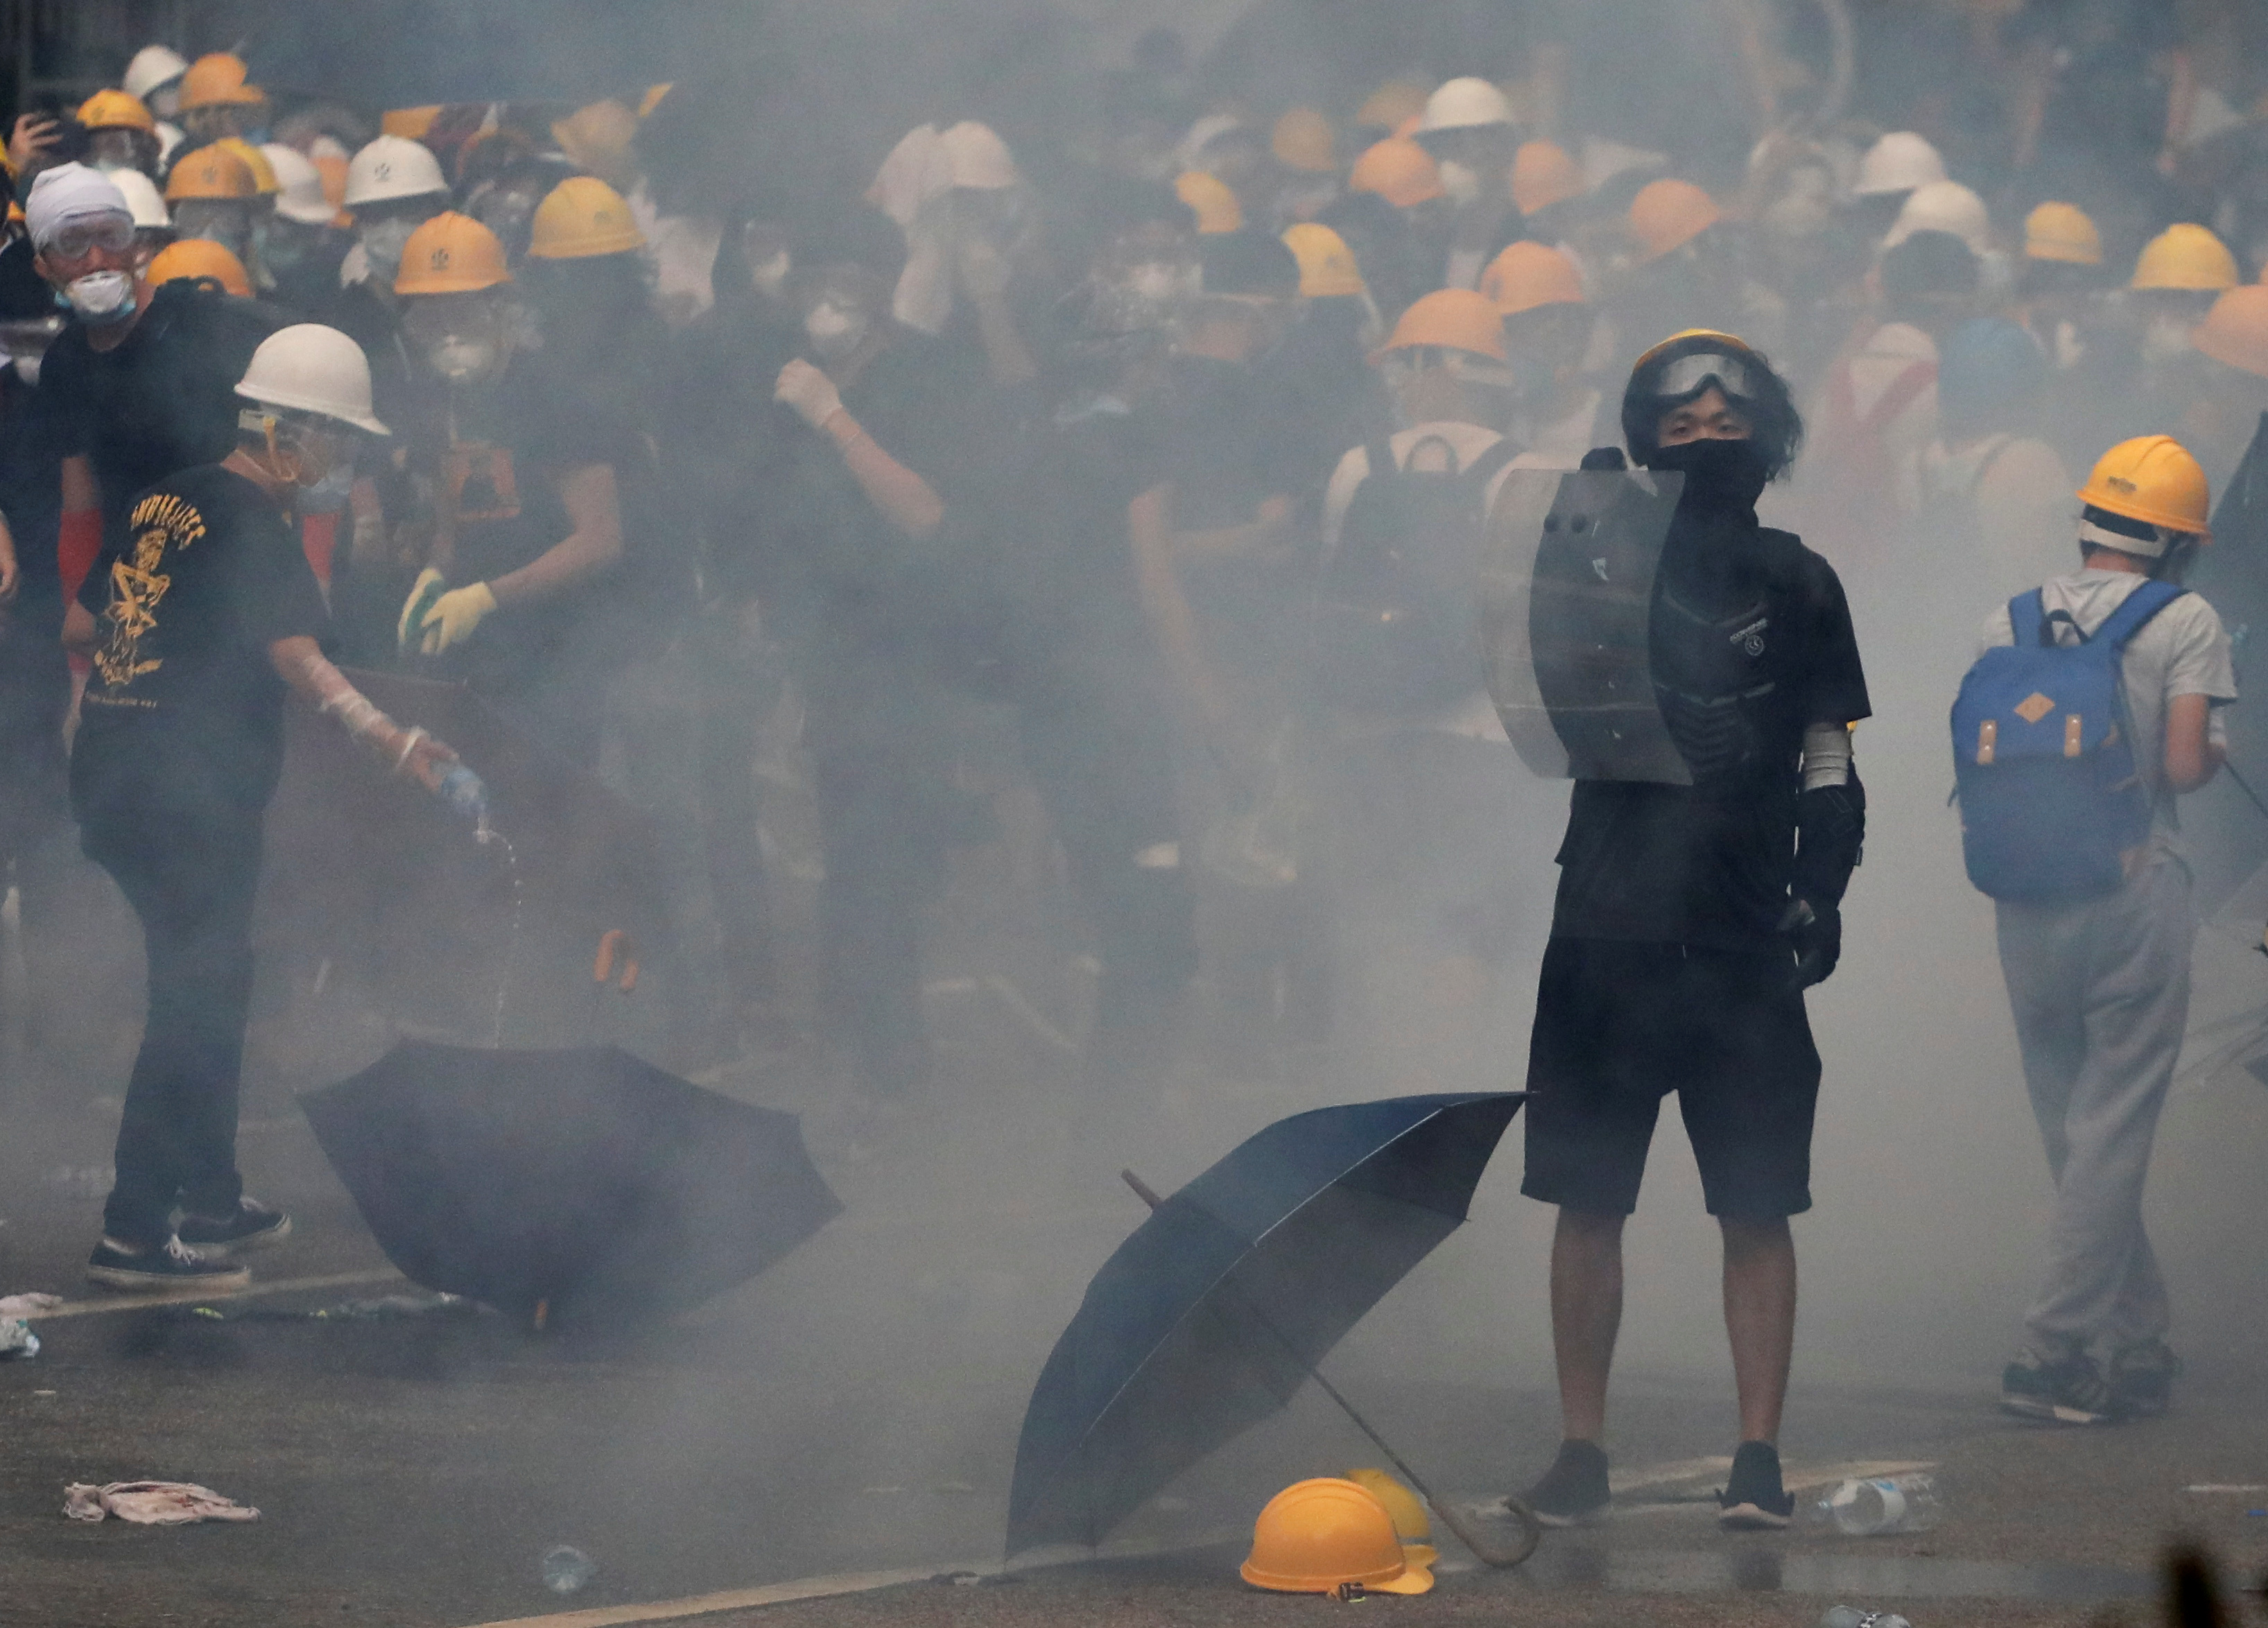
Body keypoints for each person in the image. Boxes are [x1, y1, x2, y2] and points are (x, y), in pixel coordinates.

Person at [1516, 331, 1869, 1531]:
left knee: (1755, 1200)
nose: (1707, 431)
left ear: (1767, 436)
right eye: (1684, 419)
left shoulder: (1802, 577)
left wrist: (1822, 879)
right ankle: (1579, 1448)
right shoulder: (1590, 549)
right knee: (1586, 1194)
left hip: (1739, 927)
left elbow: (1830, 747)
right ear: (1645, 427)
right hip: (1606, 921)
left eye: (1731, 418)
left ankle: (1757, 1456)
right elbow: (1548, 699)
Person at [64, 323, 465, 1289]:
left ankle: (209, 1195)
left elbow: (84, 621)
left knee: (215, 979)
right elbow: (297, 657)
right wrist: (394, 738)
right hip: (184, 798)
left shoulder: (165, 499)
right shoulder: (251, 523)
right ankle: (132, 1231)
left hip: (119, 779)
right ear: (292, 434)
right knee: (192, 1000)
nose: (346, 464)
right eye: (342, 442)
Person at [1974, 435, 2231, 1424]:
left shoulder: (2001, 619)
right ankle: (2050, 1352)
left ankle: (2137, 1335)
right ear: (2172, 542)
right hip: (2129, 894)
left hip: (2022, 896)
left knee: (2071, 1128)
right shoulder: (2186, 618)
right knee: (2111, 1131)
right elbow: (2178, 768)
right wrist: (2216, 739)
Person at [765, 205, 1001, 1096]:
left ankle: (891, 1064)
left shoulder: (926, 377)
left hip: (907, 658)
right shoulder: (793, 380)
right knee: (854, 857)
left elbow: (924, 513)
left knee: (881, 863)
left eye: (842, 287)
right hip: (828, 659)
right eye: (809, 287)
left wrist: (834, 418)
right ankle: (862, 1045)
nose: (823, 306)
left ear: (879, 287)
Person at [387, 211, 626, 761]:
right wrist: (435, 573)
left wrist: (487, 596)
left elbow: (599, 540)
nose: (447, 333)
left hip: (561, 647)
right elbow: (454, 516)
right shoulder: (443, 401)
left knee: (550, 795)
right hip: (484, 652)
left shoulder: (556, 399)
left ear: (501, 312)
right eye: (431, 317)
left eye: (463, 313)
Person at [15, 164, 276, 641]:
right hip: (136, 583)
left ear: (136, 246)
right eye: (72, 245)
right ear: (43, 266)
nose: (97, 260)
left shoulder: (206, 327)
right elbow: (81, 507)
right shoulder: (66, 362)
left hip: (236, 572)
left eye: (111, 237)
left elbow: (280, 465)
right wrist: (81, 645)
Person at [1411, 77, 1521, 291]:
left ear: (1504, 151)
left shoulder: (1531, 246)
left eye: (1463, 147)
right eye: (1447, 147)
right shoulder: (1421, 254)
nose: (1451, 163)